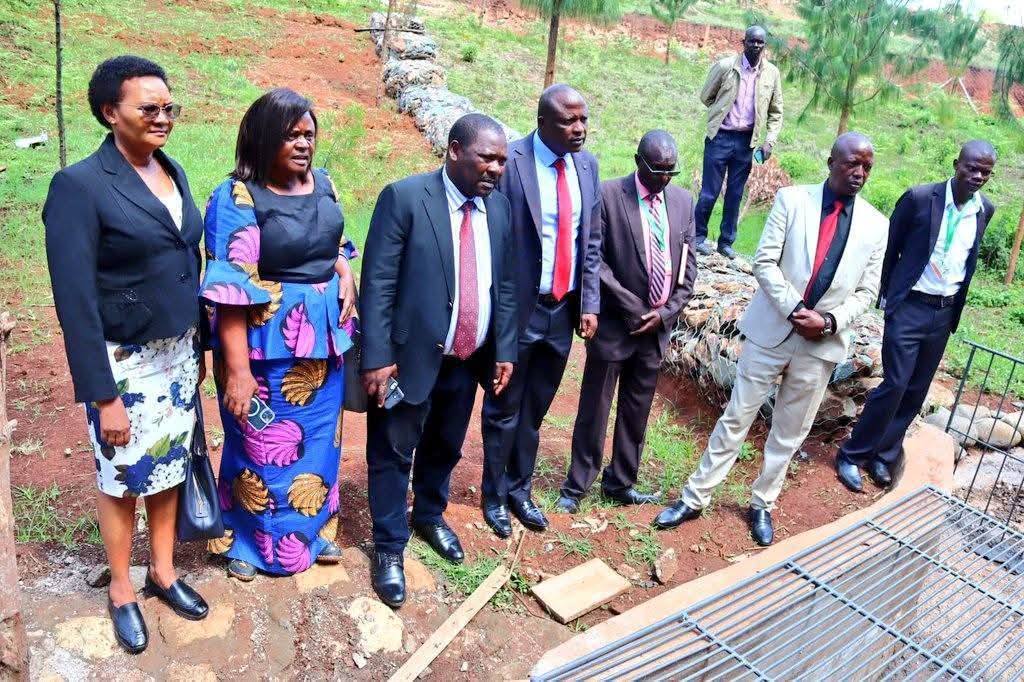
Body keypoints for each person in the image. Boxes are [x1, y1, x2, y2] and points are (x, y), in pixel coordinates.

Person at [43, 55, 209, 654]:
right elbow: (75, 300)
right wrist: (102, 393)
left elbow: (186, 256)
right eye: (148, 108)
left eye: (169, 108)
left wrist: (200, 344)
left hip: (178, 354)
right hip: (124, 364)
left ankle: (162, 571)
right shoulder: (80, 186)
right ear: (110, 112)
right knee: (121, 480)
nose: (162, 118)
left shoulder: (173, 169)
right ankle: (120, 587)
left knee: (168, 464)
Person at [652, 133, 888, 546]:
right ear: (831, 161)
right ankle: (695, 497)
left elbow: (868, 293)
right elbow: (765, 261)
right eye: (852, 163)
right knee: (737, 416)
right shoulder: (792, 201)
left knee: (790, 431)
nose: (859, 173)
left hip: (821, 344)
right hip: (772, 330)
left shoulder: (876, 224)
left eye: (867, 167)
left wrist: (829, 321)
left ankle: (762, 502)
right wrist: (796, 310)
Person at [200, 88, 358, 582]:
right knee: (262, 451)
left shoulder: (324, 183)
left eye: (309, 134)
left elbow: (327, 241)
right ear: (264, 137)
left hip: (324, 349)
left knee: (318, 447)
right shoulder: (236, 197)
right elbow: (229, 288)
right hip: (262, 352)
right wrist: (239, 372)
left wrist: (342, 268)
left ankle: (310, 536)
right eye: (290, 134)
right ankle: (248, 545)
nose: (303, 143)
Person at [360, 113, 516, 608]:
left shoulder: (500, 210)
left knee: (446, 445)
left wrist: (504, 349)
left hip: (466, 358)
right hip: (407, 361)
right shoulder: (405, 198)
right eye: (485, 157)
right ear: (453, 150)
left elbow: (505, 286)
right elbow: (378, 283)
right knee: (391, 451)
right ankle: (388, 548)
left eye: (502, 161)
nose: (495, 168)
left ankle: (428, 515)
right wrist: (378, 356)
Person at [836, 141, 998, 491]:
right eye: (971, 168)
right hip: (909, 306)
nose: (977, 176)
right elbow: (889, 249)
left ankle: (883, 455)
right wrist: (887, 299)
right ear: (957, 164)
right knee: (895, 383)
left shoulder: (985, 210)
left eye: (985, 171)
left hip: (944, 312)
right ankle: (852, 453)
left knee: (917, 389)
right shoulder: (920, 198)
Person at [479, 84, 602, 538]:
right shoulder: (510, 164)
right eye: (569, 121)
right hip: (517, 312)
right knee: (503, 407)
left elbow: (590, 241)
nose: (580, 129)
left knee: (534, 411)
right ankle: (492, 496)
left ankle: (519, 490)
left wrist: (589, 301)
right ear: (543, 122)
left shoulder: (587, 166)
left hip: (561, 312)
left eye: (583, 119)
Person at [556, 131, 697, 513]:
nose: (665, 178)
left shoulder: (683, 202)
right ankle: (577, 485)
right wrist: (630, 305)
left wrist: (666, 313)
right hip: (617, 326)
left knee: (637, 409)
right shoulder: (609, 195)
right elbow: (594, 258)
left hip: (656, 329)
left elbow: (688, 266)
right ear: (638, 161)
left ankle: (620, 482)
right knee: (595, 407)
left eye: (671, 171)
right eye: (657, 170)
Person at [694, 25, 783, 260]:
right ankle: (697, 237)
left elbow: (776, 111)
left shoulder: (772, 74)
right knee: (709, 192)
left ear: (765, 46)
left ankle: (726, 243)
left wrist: (770, 141)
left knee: (735, 194)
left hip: (746, 142)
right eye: (752, 41)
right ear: (743, 42)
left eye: (760, 42)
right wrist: (721, 111)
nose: (756, 45)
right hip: (720, 137)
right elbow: (706, 96)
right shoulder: (726, 67)